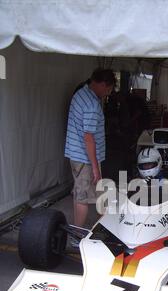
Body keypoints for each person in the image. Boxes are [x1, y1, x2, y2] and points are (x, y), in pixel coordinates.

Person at [65, 68, 116, 227]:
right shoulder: (92, 106)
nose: (107, 94)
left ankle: (106, 227)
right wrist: (95, 167)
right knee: (82, 198)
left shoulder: (81, 93)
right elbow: (88, 138)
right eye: (108, 89)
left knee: (90, 194)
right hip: (85, 159)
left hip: (76, 155)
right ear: (101, 84)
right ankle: (77, 235)